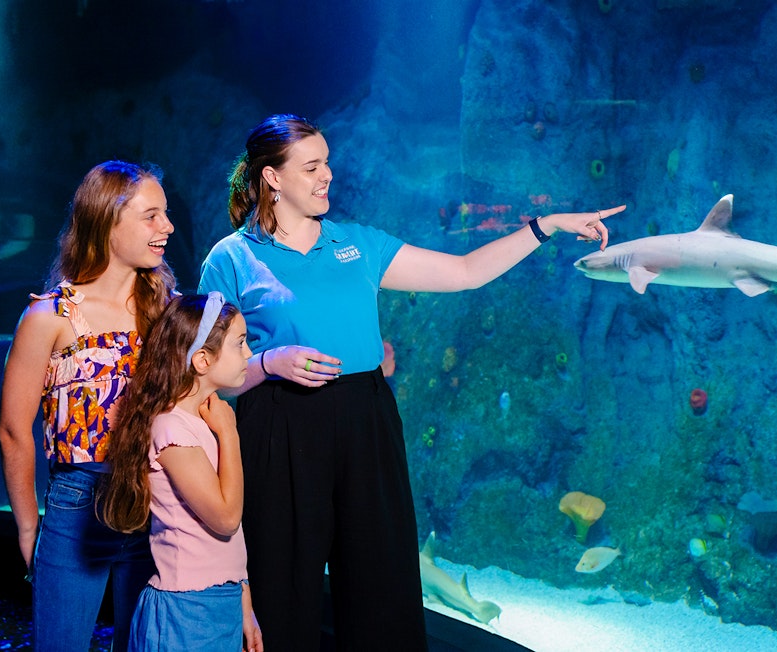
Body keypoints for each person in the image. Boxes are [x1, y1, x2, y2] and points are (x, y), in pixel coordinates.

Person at [197, 113, 625, 651]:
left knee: (381, 584)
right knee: (281, 585)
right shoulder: (232, 258)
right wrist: (268, 362)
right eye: (311, 166)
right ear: (272, 177)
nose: (328, 175)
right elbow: (205, 377)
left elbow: (465, 272)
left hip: (365, 419)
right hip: (278, 425)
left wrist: (548, 226)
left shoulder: (359, 244)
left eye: (327, 162)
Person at [0, 160, 177, 651]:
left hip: (156, 499)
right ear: (107, 221)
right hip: (78, 504)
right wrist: (28, 525)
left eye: (165, 213)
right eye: (151, 215)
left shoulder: (167, 309)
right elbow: (13, 430)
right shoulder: (49, 316)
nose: (167, 226)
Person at [99, 292, 263, 652]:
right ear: (202, 360)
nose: (249, 353)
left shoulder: (199, 421)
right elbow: (226, 519)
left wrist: (243, 603)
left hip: (219, 602)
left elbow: (224, 544)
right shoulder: (172, 428)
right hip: (184, 613)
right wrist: (230, 434)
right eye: (239, 343)